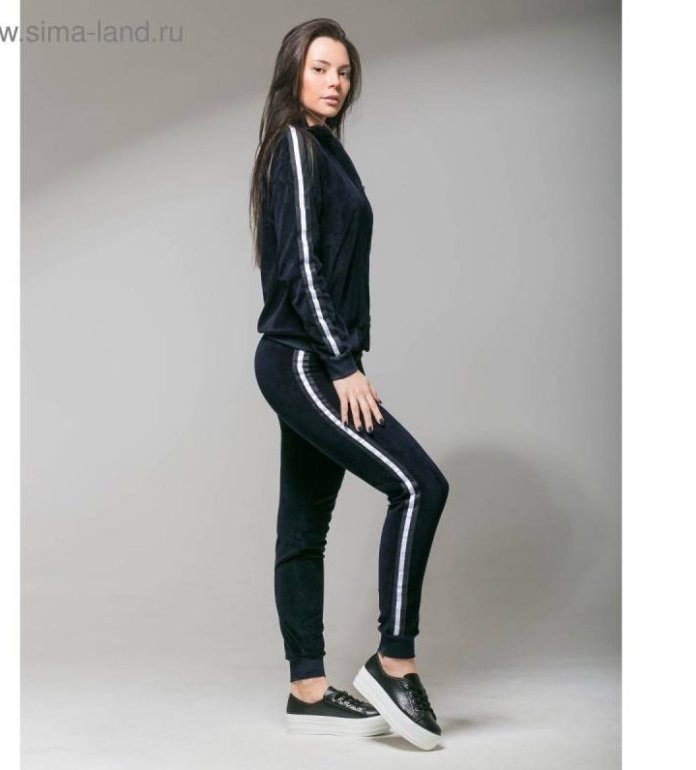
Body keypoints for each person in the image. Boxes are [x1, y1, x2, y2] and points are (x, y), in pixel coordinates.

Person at [249, 18, 450, 751]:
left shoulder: (325, 148)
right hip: (303, 360)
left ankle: (307, 688)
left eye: (344, 71)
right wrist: (343, 364)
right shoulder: (295, 145)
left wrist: (342, 355)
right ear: (293, 73)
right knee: (419, 485)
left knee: (304, 527)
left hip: (312, 355)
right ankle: (395, 663)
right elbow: (303, 264)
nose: (335, 82)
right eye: (321, 68)